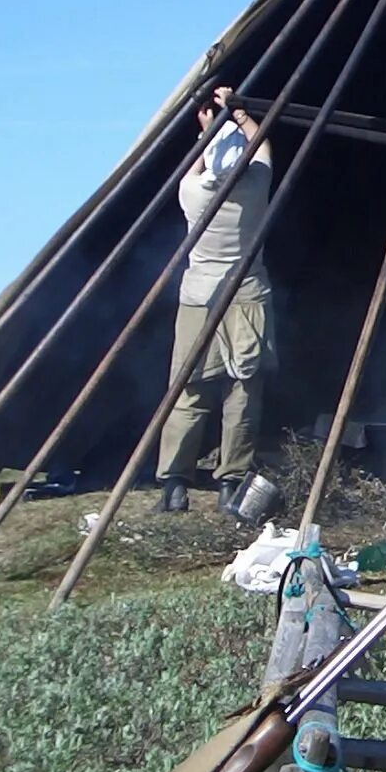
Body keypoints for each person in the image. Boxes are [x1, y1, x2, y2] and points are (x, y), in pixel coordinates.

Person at [157, 86, 271, 513]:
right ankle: (232, 482)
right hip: (246, 295)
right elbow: (263, 147)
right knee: (241, 392)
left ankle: (174, 483)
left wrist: (208, 129)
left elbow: (199, 165)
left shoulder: (194, 193)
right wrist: (239, 113)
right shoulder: (255, 186)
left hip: (199, 296)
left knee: (188, 390)